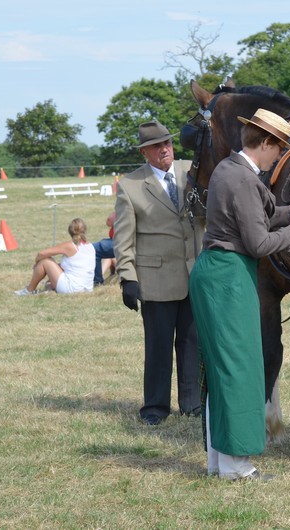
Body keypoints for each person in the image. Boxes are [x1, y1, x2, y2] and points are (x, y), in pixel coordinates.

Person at [188, 108, 290, 481]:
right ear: (265, 143)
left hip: (218, 274)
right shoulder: (244, 179)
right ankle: (238, 467)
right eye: (278, 150)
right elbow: (259, 242)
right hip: (228, 277)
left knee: (222, 370)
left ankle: (219, 462)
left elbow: (257, 213)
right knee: (239, 370)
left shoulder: (231, 169)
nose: (279, 157)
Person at [113, 120, 200, 425]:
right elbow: (123, 237)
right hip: (156, 278)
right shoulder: (130, 185)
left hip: (195, 274)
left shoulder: (192, 170)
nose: (164, 149)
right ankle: (155, 407)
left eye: (167, 143)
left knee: (192, 344)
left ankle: (192, 403)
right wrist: (128, 278)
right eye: (156, 146)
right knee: (159, 347)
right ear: (144, 152)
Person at [14, 218, 95, 295]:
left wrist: (36, 263)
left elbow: (41, 254)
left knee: (45, 261)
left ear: (70, 231)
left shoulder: (70, 246)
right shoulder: (90, 246)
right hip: (87, 288)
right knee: (54, 268)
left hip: (73, 288)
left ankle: (29, 290)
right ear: (85, 230)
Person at [92, 211, 116, 286]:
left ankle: (97, 281)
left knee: (93, 249)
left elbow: (110, 220)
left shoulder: (124, 206)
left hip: (121, 242)